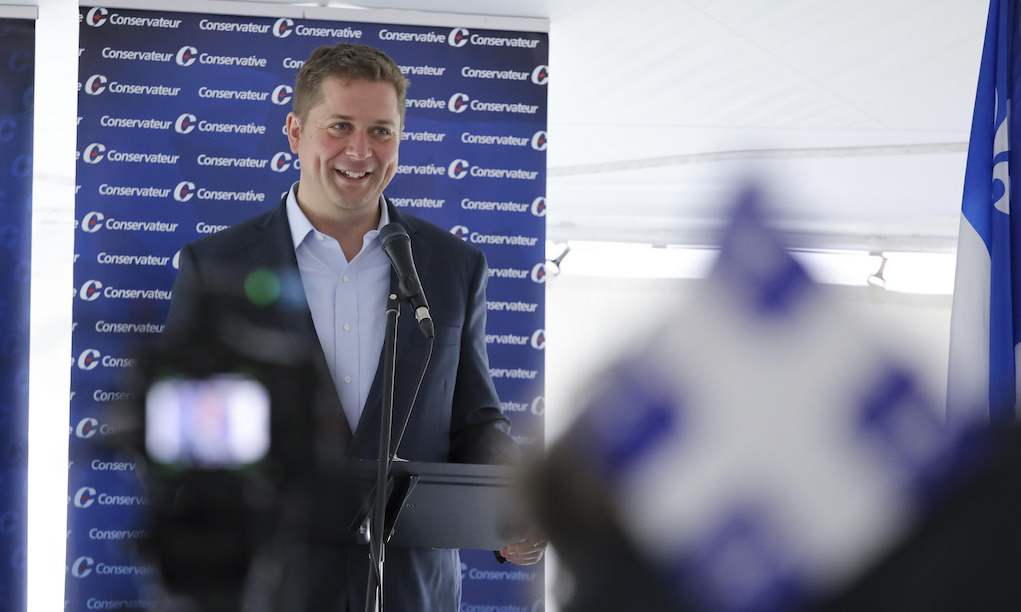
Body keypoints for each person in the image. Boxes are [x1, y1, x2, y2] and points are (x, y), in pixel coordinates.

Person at [162, 43, 546, 610]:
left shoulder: (453, 267)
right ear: (295, 132)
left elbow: (474, 420)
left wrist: (510, 505)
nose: (360, 151)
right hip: (268, 585)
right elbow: (187, 433)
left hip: (410, 588)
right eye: (339, 126)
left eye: (382, 131)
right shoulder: (216, 265)